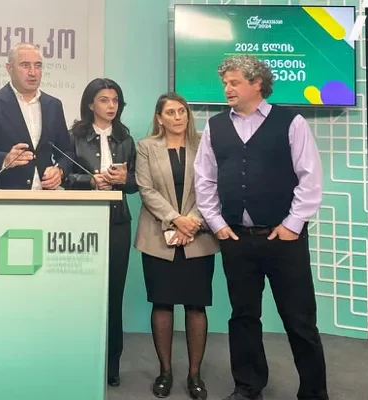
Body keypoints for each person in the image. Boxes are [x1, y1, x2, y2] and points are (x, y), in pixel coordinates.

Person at [194, 55, 326, 400]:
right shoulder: (215, 126)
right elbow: (204, 180)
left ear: (257, 84)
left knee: (299, 320)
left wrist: (292, 225)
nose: (227, 88)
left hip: (284, 239)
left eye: (234, 82)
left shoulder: (292, 122)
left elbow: (310, 177)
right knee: (243, 317)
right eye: (225, 83)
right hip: (237, 239)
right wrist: (217, 224)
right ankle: (248, 387)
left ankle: (313, 393)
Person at [134, 93, 218, 399]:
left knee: (196, 305)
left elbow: (212, 186)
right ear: (159, 118)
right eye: (170, 112)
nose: (178, 117)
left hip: (198, 234)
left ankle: (195, 375)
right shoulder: (146, 146)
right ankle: (165, 372)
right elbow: (146, 189)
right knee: (162, 303)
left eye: (182, 111)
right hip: (158, 236)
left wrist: (191, 221)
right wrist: (175, 220)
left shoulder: (205, 143)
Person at [62, 78, 137, 387]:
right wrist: (90, 181)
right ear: (91, 104)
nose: (110, 106)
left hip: (117, 222)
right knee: (82, 294)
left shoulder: (125, 138)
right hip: (82, 220)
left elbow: (136, 184)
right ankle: (80, 358)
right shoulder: (74, 136)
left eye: (115, 100)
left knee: (114, 294)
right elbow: (63, 178)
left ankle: (112, 362)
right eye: (104, 100)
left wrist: (124, 179)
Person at [0, 42, 74, 238]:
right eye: (25, 65)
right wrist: (5, 159)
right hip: (5, 205)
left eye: (38, 65)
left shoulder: (53, 105)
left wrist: (60, 170)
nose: (33, 72)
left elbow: (67, 152)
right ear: (9, 68)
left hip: (47, 204)